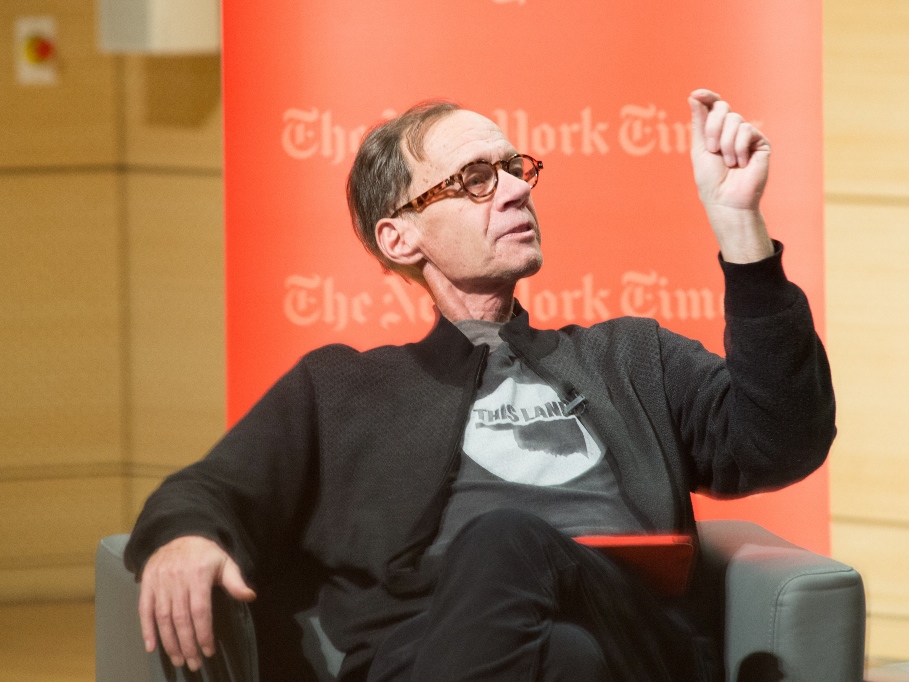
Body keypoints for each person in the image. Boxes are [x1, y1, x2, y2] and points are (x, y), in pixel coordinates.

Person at [124, 89, 836, 682]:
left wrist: (740, 228)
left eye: (515, 167)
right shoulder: (342, 390)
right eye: (475, 179)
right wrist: (184, 536)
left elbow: (783, 440)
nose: (519, 188)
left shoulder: (629, 357)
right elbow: (209, 490)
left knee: (508, 544)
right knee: (564, 659)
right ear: (401, 239)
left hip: (634, 635)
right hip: (443, 652)